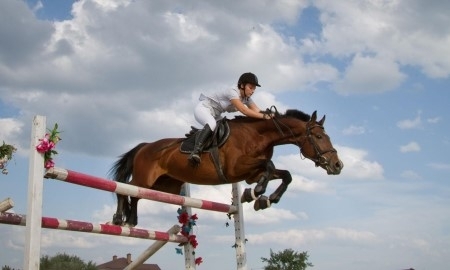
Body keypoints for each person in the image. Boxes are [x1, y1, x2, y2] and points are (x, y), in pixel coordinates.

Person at [188, 72, 272, 164]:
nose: (252, 91)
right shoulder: (232, 92)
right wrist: (265, 116)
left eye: (254, 89)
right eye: (250, 88)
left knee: (227, 127)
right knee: (212, 124)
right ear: (242, 85)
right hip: (204, 109)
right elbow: (244, 111)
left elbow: (256, 110)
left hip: (216, 115)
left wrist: (272, 116)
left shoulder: (246, 98)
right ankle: (195, 152)